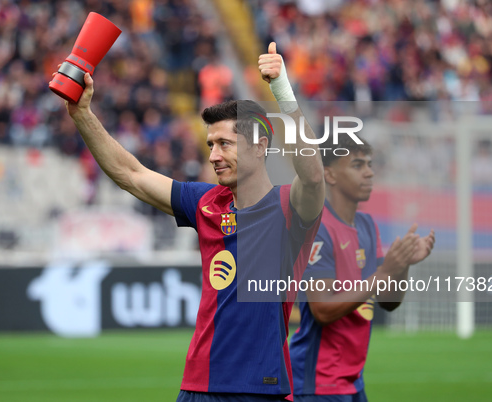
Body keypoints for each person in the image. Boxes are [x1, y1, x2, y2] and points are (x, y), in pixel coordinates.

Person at [54, 42, 325, 401]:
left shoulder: (290, 209)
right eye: (210, 144)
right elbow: (131, 174)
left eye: (225, 144)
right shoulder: (205, 202)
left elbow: (314, 177)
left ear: (260, 147)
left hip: (262, 388)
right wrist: (82, 114)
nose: (213, 155)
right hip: (198, 386)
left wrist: (282, 91)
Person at [289, 137, 435, 402]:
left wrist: (401, 266)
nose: (369, 172)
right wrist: (382, 274)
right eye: (357, 165)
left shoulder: (367, 224)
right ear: (329, 174)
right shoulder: (318, 227)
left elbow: (388, 302)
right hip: (316, 384)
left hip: (352, 380)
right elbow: (321, 310)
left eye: (369, 164)